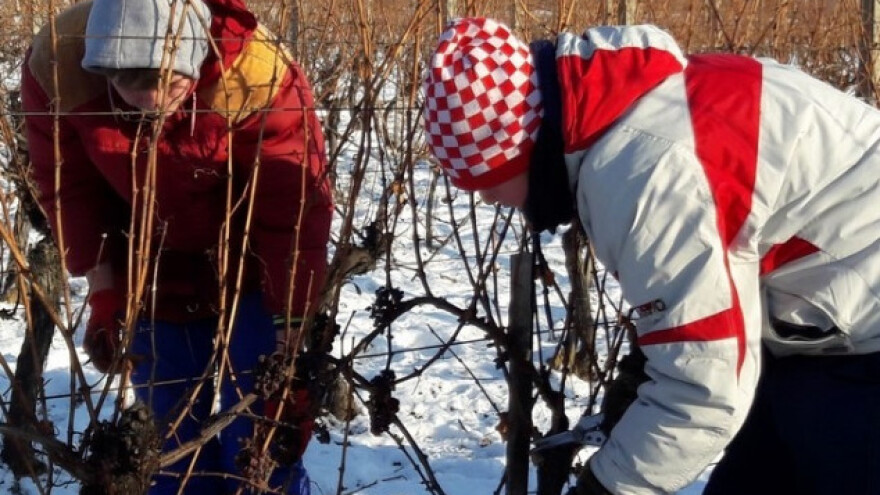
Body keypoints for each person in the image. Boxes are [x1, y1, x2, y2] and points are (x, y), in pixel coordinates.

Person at [422, 17, 880, 495]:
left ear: (521, 149)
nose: (490, 201)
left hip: (865, 336)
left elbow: (703, 394)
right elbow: (713, 275)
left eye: (487, 181)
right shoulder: (638, 109)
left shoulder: (642, 173)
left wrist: (603, 490)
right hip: (822, 320)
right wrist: (646, 370)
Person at [21, 0, 333, 493]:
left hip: (253, 273)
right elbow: (70, 190)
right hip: (149, 268)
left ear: (198, 56)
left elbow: (291, 214)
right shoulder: (58, 67)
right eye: (127, 87)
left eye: (170, 85)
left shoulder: (256, 76)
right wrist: (104, 295)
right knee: (164, 453)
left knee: (259, 444)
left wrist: (289, 347)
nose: (150, 104)